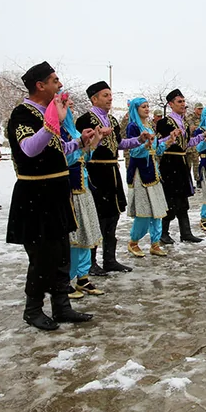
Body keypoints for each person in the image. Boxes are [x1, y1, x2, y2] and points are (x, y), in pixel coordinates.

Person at [6, 61, 93, 330]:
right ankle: (32, 310)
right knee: (42, 256)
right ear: (40, 85)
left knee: (61, 253)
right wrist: (51, 123)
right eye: (55, 80)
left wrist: (79, 142)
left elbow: (56, 151)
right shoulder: (23, 114)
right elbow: (30, 149)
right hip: (35, 194)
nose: (60, 85)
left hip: (56, 193)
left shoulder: (47, 114)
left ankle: (61, 306)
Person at [76, 81, 147, 275]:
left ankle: (109, 259)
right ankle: (90, 263)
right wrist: (98, 137)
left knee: (112, 216)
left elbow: (119, 143)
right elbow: (82, 147)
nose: (110, 98)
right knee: (96, 217)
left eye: (110, 95)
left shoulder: (113, 120)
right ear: (94, 99)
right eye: (105, 95)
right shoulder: (84, 120)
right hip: (95, 172)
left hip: (112, 172)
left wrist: (138, 140)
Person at [61, 105, 105, 298]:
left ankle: (83, 277)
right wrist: (80, 143)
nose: (69, 108)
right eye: (66, 105)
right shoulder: (57, 131)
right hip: (70, 188)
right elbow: (66, 158)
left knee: (87, 231)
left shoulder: (72, 130)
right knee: (75, 235)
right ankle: (66, 279)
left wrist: (93, 141)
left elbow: (83, 157)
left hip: (83, 185)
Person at [155, 89, 206, 243]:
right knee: (170, 198)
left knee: (183, 199)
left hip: (181, 162)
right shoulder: (164, 122)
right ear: (171, 104)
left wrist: (202, 136)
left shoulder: (184, 122)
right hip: (170, 162)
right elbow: (157, 143)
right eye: (179, 101)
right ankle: (163, 233)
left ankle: (186, 232)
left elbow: (187, 144)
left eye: (184, 101)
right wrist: (169, 138)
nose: (183, 104)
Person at [125, 98, 170, 257]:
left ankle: (155, 243)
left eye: (147, 106)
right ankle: (133, 242)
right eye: (143, 106)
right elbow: (133, 152)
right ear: (135, 109)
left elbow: (155, 151)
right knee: (143, 212)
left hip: (153, 171)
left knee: (157, 210)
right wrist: (145, 145)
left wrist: (168, 142)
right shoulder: (133, 126)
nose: (147, 109)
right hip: (140, 173)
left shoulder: (149, 126)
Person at [186, 102, 203, 188]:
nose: (200, 110)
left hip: (199, 144)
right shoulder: (190, 117)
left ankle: (198, 180)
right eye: (199, 109)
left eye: (201, 109)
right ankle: (189, 183)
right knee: (188, 165)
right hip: (191, 143)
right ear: (195, 109)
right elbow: (191, 129)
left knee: (197, 164)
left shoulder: (203, 118)